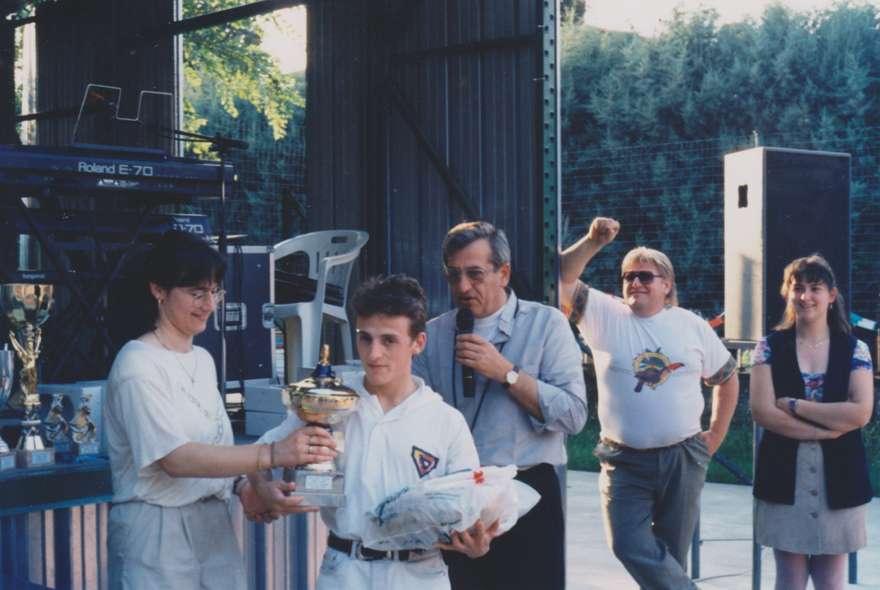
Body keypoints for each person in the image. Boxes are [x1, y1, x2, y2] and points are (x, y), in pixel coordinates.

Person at [104, 230, 335, 590]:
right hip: (156, 533)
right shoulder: (137, 364)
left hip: (215, 527)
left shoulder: (204, 359)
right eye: (197, 293)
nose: (210, 305)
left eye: (215, 292)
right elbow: (176, 460)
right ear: (158, 291)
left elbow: (216, 447)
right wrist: (273, 455)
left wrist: (249, 486)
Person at [251, 274, 497, 590]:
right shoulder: (328, 403)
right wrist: (260, 486)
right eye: (365, 338)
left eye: (389, 340)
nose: (373, 354)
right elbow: (262, 451)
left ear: (418, 343)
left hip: (419, 575)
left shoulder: (446, 422)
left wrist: (477, 543)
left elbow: (470, 508)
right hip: (343, 571)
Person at [560, 217, 739, 590]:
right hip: (624, 460)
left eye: (645, 276)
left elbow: (726, 377)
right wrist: (593, 242)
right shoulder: (604, 314)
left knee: (669, 559)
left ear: (667, 285)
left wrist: (716, 435)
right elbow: (561, 277)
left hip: (683, 457)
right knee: (628, 544)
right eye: (628, 276)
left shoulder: (691, 326)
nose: (635, 282)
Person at [412, 221, 588, 590]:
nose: (462, 287)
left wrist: (508, 374)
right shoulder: (434, 334)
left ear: (504, 273)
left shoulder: (547, 325)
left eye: (475, 274)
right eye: (453, 275)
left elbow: (574, 416)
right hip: (457, 498)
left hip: (525, 496)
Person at [750, 254, 873, 590]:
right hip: (782, 478)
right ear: (787, 292)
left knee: (832, 582)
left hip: (842, 478)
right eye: (798, 287)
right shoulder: (767, 348)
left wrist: (794, 405)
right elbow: (762, 411)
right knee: (789, 580)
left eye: (815, 288)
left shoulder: (856, 348)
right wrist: (830, 428)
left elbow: (860, 412)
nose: (806, 296)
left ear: (831, 295)